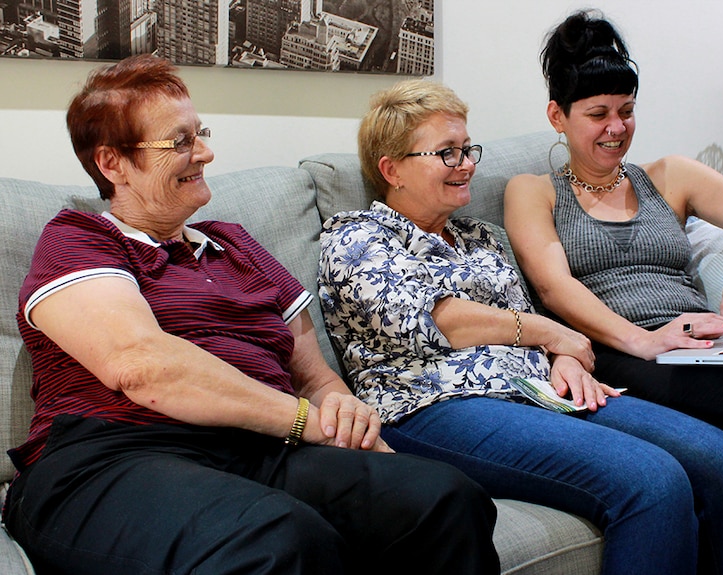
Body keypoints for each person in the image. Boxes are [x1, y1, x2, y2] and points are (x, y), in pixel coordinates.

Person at [1, 55, 501, 575]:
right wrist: (306, 421)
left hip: (259, 451)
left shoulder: (237, 246)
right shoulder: (81, 239)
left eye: (201, 133)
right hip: (113, 456)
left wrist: (351, 421)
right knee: (280, 539)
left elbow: (313, 377)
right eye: (180, 142)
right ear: (112, 164)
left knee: (445, 497)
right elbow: (143, 366)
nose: (205, 152)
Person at [318, 77, 723, 575]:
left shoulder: (482, 237)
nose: (467, 164)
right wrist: (554, 336)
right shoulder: (355, 236)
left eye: (468, 149)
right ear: (393, 170)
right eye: (447, 153)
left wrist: (565, 357)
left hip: (535, 389)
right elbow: (433, 320)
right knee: (654, 480)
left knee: (722, 458)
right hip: (431, 405)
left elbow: (531, 319)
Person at [504, 10, 723, 575]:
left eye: (626, 111)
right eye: (597, 114)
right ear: (557, 116)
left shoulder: (669, 176)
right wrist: (644, 340)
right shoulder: (533, 190)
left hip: (702, 341)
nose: (616, 128)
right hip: (620, 352)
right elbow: (552, 285)